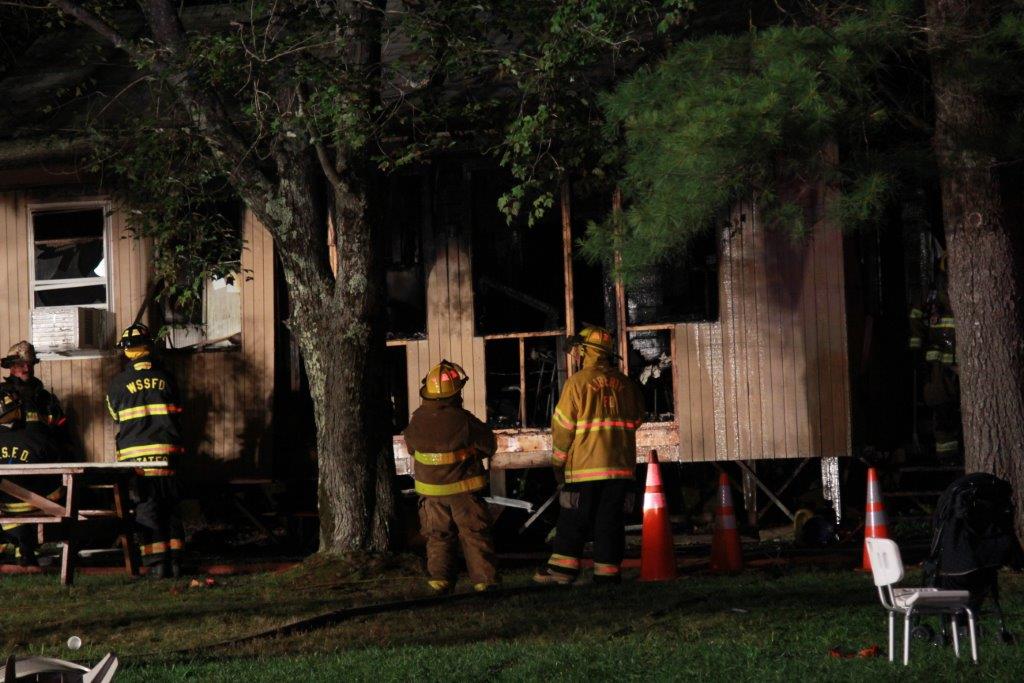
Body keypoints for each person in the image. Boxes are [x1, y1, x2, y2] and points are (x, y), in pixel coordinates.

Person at [534, 326, 645, 586]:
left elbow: (562, 427)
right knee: (610, 521)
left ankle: (562, 572)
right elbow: (638, 418)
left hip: (584, 467)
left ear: (585, 351)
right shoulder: (626, 384)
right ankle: (607, 573)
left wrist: (558, 462)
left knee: (574, 519)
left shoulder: (577, 383)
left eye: (579, 350)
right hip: (619, 466)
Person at [403, 360, 498, 593]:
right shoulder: (463, 420)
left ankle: (440, 580)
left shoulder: (416, 420)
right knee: (474, 534)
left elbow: (412, 449)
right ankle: (485, 582)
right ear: (455, 393)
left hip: (431, 495)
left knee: (437, 536)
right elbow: (489, 445)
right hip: (463, 491)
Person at [105, 323, 185, 578]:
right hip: (168, 455)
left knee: (146, 507)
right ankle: (175, 561)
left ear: (127, 352)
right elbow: (179, 412)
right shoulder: (168, 379)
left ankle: (156, 563)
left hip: (137, 459)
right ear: (149, 346)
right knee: (170, 506)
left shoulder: (117, 384)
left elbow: (115, 416)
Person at [0, 385, 66, 566]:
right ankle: (26, 546)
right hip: (42, 507)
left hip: (6, 512)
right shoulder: (38, 437)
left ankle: (16, 545)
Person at [1, 341, 67, 437]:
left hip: (39, 450)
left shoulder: (46, 398)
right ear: (11, 366)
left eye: (30, 364)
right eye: (22, 364)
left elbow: (62, 433)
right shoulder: (2, 394)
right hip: (9, 451)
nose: (27, 369)